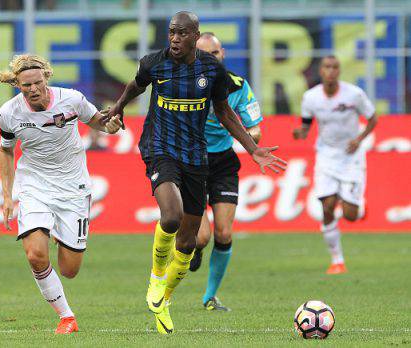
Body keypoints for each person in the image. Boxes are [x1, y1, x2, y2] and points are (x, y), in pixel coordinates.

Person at [106, 11, 286, 334]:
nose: (174, 39)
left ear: (194, 35)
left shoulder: (212, 70)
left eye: (181, 34)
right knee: (171, 216)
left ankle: (164, 299)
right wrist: (118, 108)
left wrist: (252, 148)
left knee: (189, 243)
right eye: (171, 32)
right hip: (160, 148)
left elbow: (224, 111)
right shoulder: (154, 63)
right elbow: (135, 86)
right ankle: (155, 277)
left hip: (194, 154)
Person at [0, 54, 122, 334]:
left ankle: (53, 231)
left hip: (72, 188)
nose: (33, 89)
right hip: (34, 187)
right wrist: (7, 195)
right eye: (26, 85)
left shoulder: (72, 99)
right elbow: (6, 150)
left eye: (37, 82)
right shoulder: (9, 112)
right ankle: (67, 317)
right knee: (35, 256)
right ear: (18, 85)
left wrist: (110, 126)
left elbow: (98, 121)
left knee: (69, 269)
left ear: (46, 78)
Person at [188, 32, 263, 312]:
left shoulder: (238, 86)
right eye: (203, 55)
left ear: (224, 54)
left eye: (214, 54)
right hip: (191, 162)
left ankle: (209, 297)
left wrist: (250, 136)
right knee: (202, 237)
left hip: (223, 163)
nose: (210, 60)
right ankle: (193, 248)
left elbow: (254, 125)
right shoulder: (184, 85)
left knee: (224, 233)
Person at [293, 55, 377, 274]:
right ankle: (337, 260)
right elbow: (306, 125)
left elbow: (373, 118)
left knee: (349, 214)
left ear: (339, 71)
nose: (331, 71)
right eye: (327, 67)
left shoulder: (354, 94)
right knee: (327, 206)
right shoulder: (311, 97)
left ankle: (358, 207)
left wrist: (359, 139)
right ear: (320, 71)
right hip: (326, 156)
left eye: (335, 67)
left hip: (352, 156)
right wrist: (299, 133)